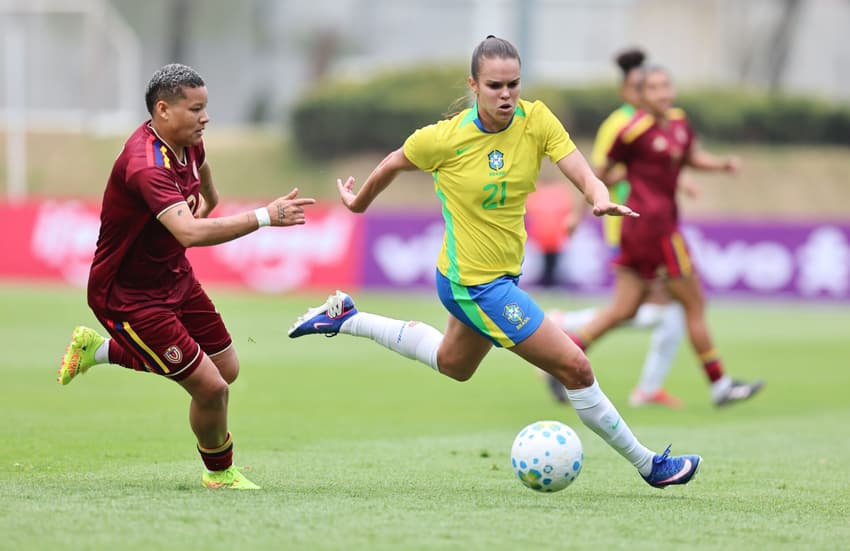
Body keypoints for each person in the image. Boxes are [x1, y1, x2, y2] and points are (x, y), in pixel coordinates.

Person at [289, 36, 701, 489]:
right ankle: (649, 466)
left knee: (454, 365)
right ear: (474, 85)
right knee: (575, 367)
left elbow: (581, 170)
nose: (506, 95)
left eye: (513, 84)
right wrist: (358, 203)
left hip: (500, 275)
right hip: (473, 284)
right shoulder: (443, 139)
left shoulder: (536, 120)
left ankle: (349, 318)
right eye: (495, 86)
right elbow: (393, 162)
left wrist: (599, 198)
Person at [57, 63, 316, 490]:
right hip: (128, 297)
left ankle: (99, 352)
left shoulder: (187, 141)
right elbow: (189, 232)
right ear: (163, 110)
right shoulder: (146, 165)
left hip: (174, 278)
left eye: (206, 108)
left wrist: (210, 198)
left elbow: (202, 168)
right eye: (196, 109)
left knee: (225, 368)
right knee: (212, 389)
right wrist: (263, 217)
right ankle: (219, 472)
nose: (205, 118)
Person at [567, 63, 764, 407]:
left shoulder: (678, 122)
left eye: (666, 86)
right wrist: (588, 204)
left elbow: (688, 158)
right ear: (639, 95)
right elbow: (599, 174)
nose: (663, 93)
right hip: (656, 230)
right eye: (654, 88)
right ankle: (720, 385)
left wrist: (720, 165)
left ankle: (565, 359)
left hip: (641, 230)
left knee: (624, 309)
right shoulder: (631, 131)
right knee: (695, 304)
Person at [545, 48, 689, 409]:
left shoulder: (657, 123)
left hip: (651, 227)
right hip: (628, 228)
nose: (648, 92)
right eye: (641, 86)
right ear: (628, 90)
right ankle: (563, 328)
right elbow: (596, 176)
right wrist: (579, 216)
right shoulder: (620, 125)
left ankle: (566, 330)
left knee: (648, 310)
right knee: (656, 309)